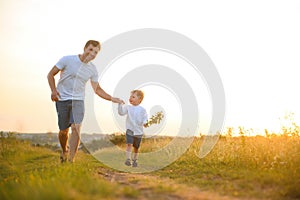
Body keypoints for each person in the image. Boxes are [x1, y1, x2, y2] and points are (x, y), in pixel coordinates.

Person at [47, 40, 124, 163]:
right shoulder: (67, 60)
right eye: (91, 50)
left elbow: (97, 89)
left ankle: (71, 161)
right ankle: (64, 150)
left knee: (76, 128)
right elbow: (50, 74)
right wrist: (53, 91)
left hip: (78, 100)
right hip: (62, 99)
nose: (92, 53)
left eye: (95, 52)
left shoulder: (92, 70)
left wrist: (112, 98)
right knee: (63, 131)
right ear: (85, 48)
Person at [118, 90, 148, 167]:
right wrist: (120, 104)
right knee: (129, 144)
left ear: (139, 99)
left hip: (138, 131)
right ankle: (128, 159)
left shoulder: (142, 110)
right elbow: (121, 113)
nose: (130, 98)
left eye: (133, 97)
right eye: (130, 96)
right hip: (130, 129)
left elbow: (145, 118)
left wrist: (145, 122)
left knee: (136, 147)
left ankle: (135, 160)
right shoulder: (128, 107)